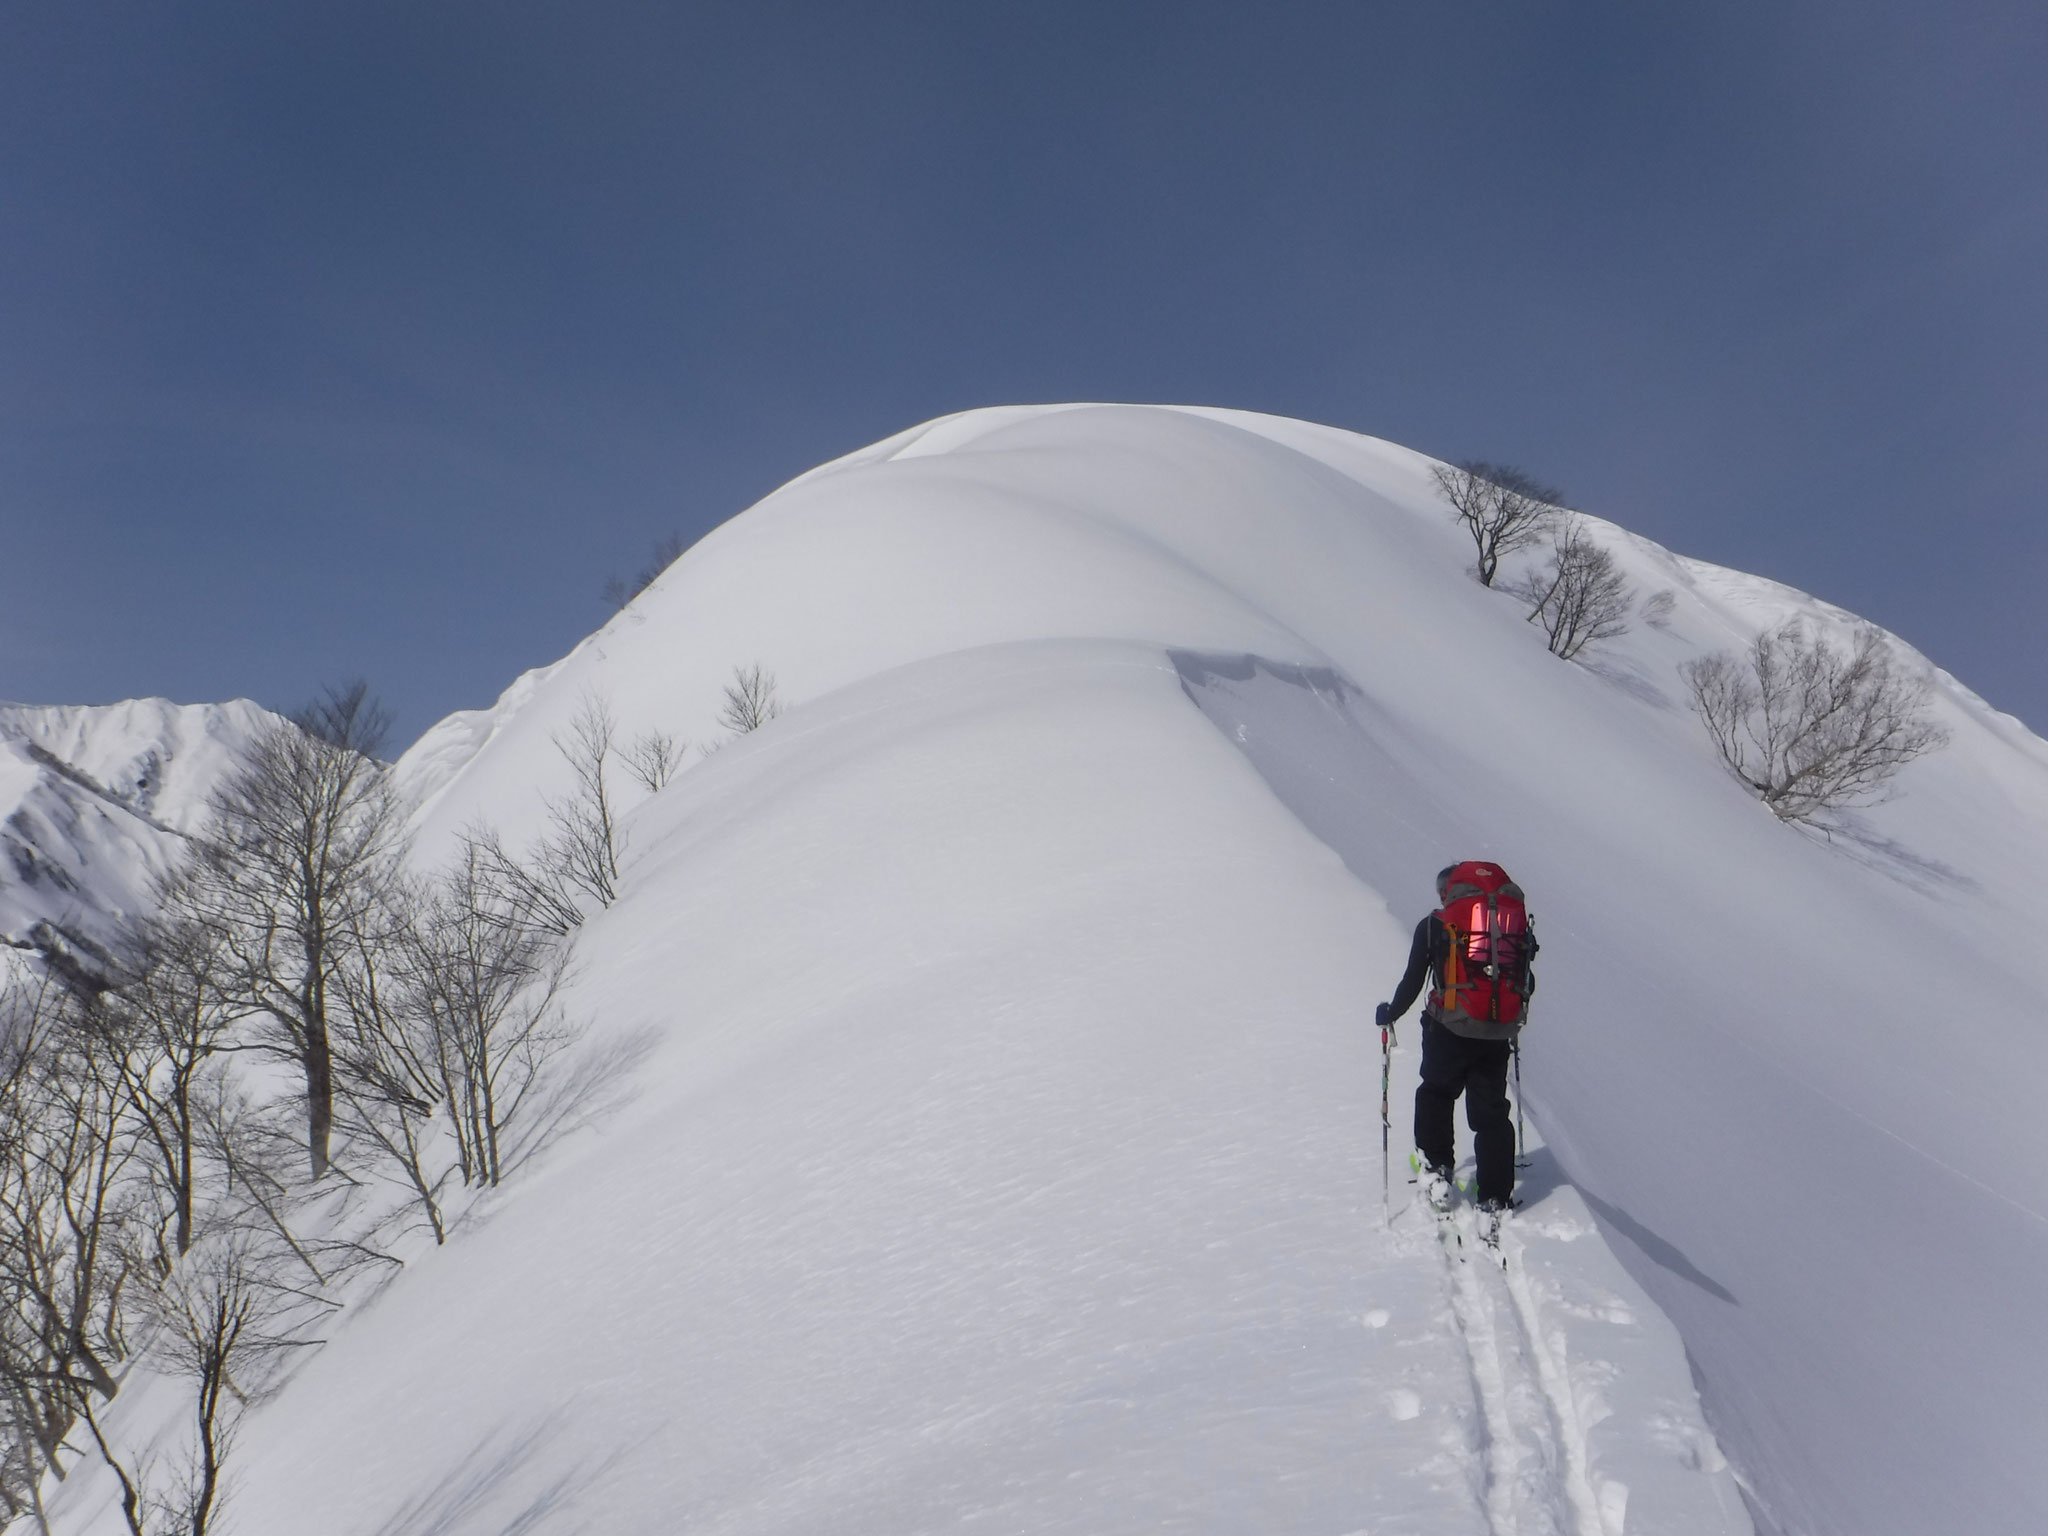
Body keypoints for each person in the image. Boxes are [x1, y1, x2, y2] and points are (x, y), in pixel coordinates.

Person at [1375, 862, 1534, 1214]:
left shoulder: (1433, 925)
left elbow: (1414, 980)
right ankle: (1494, 1194)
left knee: (1436, 1092)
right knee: (1491, 1112)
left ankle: (1437, 1169)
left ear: (1447, 892)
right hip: (1496, 1030)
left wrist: (1390, 1012)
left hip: (1447, 1028)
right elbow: (1526, 977)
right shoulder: (1506, 924)